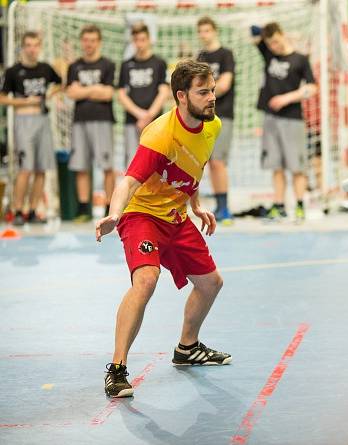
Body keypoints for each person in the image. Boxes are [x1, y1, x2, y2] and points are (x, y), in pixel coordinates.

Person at [96, 60, 231, 398]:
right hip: (142, 215)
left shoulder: (212, 125)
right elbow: (128, 182)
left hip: (176, 216)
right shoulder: (160, 135)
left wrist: (196, 205)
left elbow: (191, 168)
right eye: (203, 92)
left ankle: (187, 348)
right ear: (181, 97)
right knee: (146, 279)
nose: (211, 97)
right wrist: (114, 214)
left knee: (211, 283)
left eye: (212, 90)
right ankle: (117, 370)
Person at [252, 22, 317, 222]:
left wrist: (287, 98)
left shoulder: (300, 59)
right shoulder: (269, 54)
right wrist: (264, 31)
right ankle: (279, 206)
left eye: (277, 42)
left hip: (292, 119)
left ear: (283, 35)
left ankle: (299, 206)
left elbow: (312, 87)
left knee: (296, 166)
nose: (274, 47)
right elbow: (253, 31)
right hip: (271, 118)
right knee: (276, 166)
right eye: (270, 44)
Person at [0, 31, 62, 225]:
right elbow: (2, 97)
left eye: (35, 45)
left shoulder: (45, 68)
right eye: (28, 45)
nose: (32, 49)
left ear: (39, 47)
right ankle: (18, 210)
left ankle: (33, 210)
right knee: (25, 169)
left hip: (43, 120)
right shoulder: (13, 71)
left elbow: (59, 83)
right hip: (24, 121)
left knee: (42, 168)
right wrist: (24, 102)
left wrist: (50, 95)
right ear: (23, 47)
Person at [66, 24, 116, 221]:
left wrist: (83, 91)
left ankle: (109, 206)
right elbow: (70, 92)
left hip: (103, 121)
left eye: (93, 40)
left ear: (99, 42)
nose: (89, 44)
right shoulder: (74, 66)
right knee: (81, 166)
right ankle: (83, 209)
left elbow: (108, 94)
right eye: (86, 40)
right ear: (82, 42)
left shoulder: (108, 65)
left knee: (107, 166)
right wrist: (95, 89)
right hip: (79, 121)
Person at [197, 16, 235, 225]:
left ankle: (224, 207)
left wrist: (202, 93)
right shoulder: (199, 57)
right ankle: (216, 206)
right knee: (207, 162)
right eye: (201, 31)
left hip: (222, 114)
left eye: (207, 30)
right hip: (202, 116)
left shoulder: (225, 54)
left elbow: (225, 84)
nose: (204, 35)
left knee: (218, 161)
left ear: (215, 31)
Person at [117, 23, 170, 169]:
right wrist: (139, 114)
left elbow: (164, 91)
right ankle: (134, 193)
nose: (139, 44)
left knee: (157, 163)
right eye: (136, 40)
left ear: (149, 39)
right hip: (132, 121)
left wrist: (149, 116)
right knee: (133, 164)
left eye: (142, 39)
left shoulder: (159, 63)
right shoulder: (126, 65)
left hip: (155, 122)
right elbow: (121, 94)